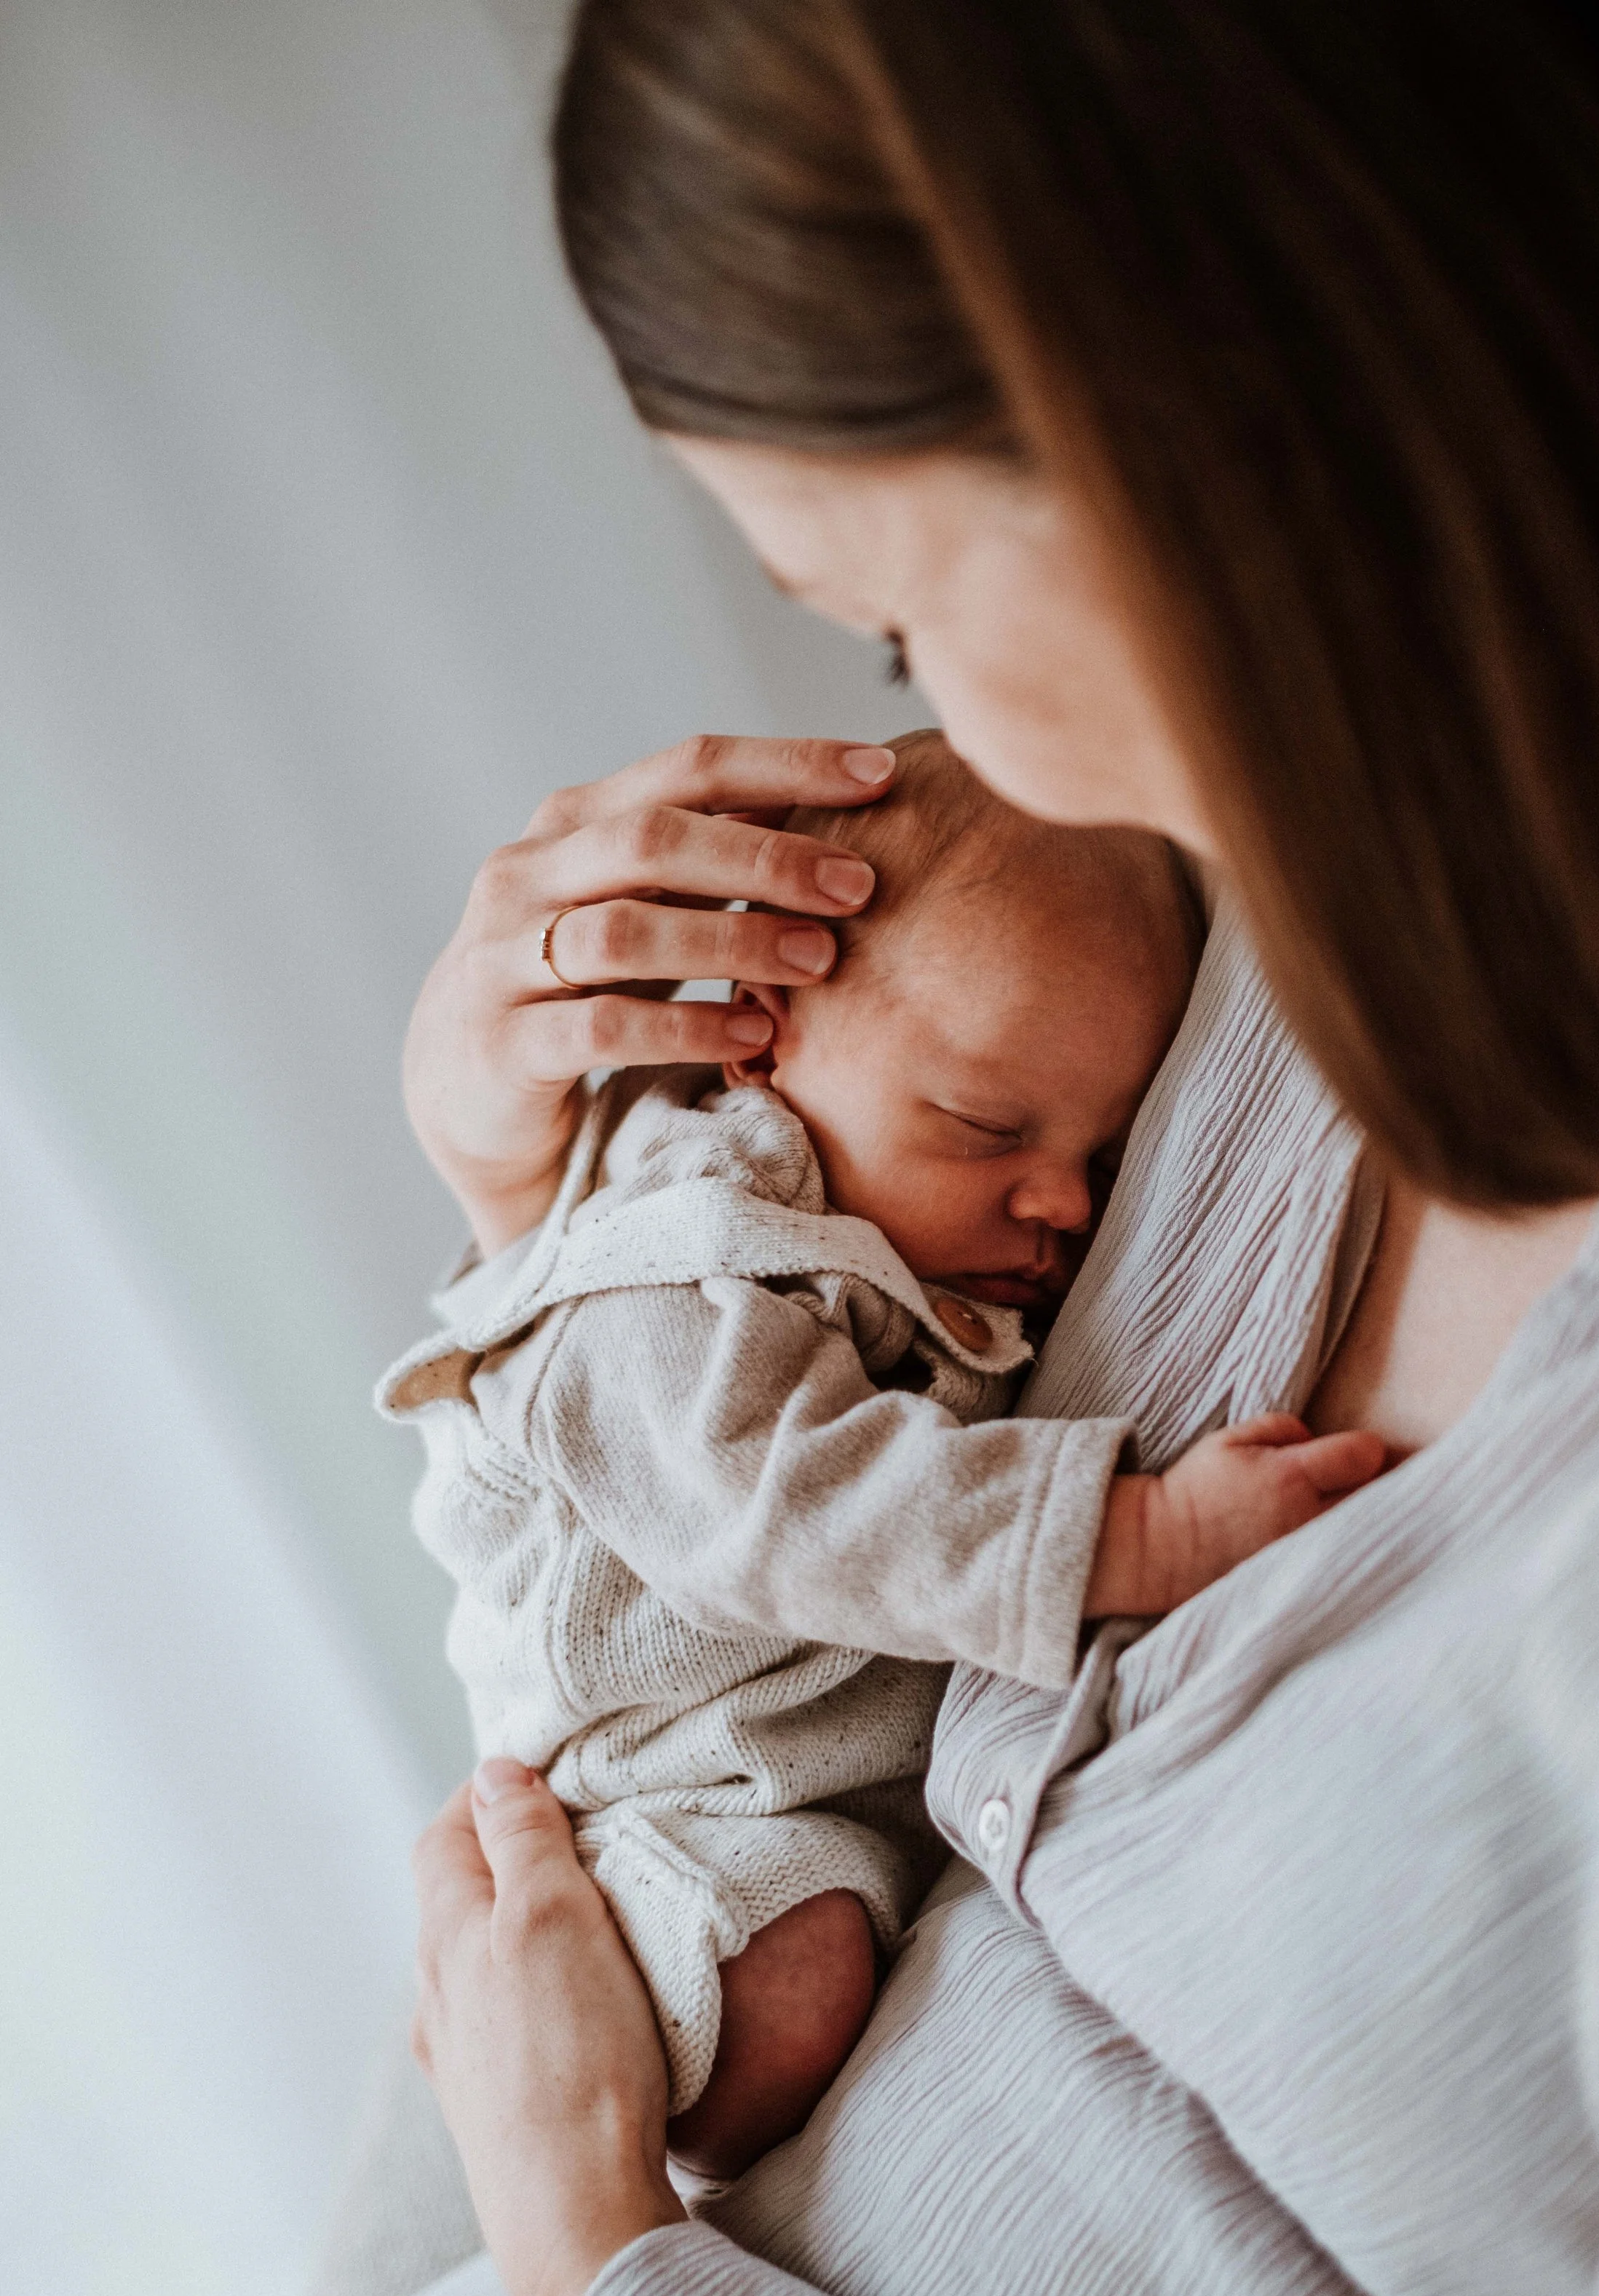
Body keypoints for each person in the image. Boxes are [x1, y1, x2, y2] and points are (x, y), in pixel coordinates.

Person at [7, 3, 1599, 2296]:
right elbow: (735, 1702)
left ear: (1238, 454)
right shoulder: (1293, 993)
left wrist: (614, 2290)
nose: (928, 737)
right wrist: (609, 1242)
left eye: (889, 606)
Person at [386, 729, 1376, 2176]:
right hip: (665, 1804)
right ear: (765, 1035)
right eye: (985, 1125)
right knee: (789, 1982)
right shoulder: (674, 1259)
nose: (1056, 1199)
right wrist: (1136, 1537)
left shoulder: (915, 1234)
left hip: (809, 1768)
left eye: (1103, 1159)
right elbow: (767, 1507)